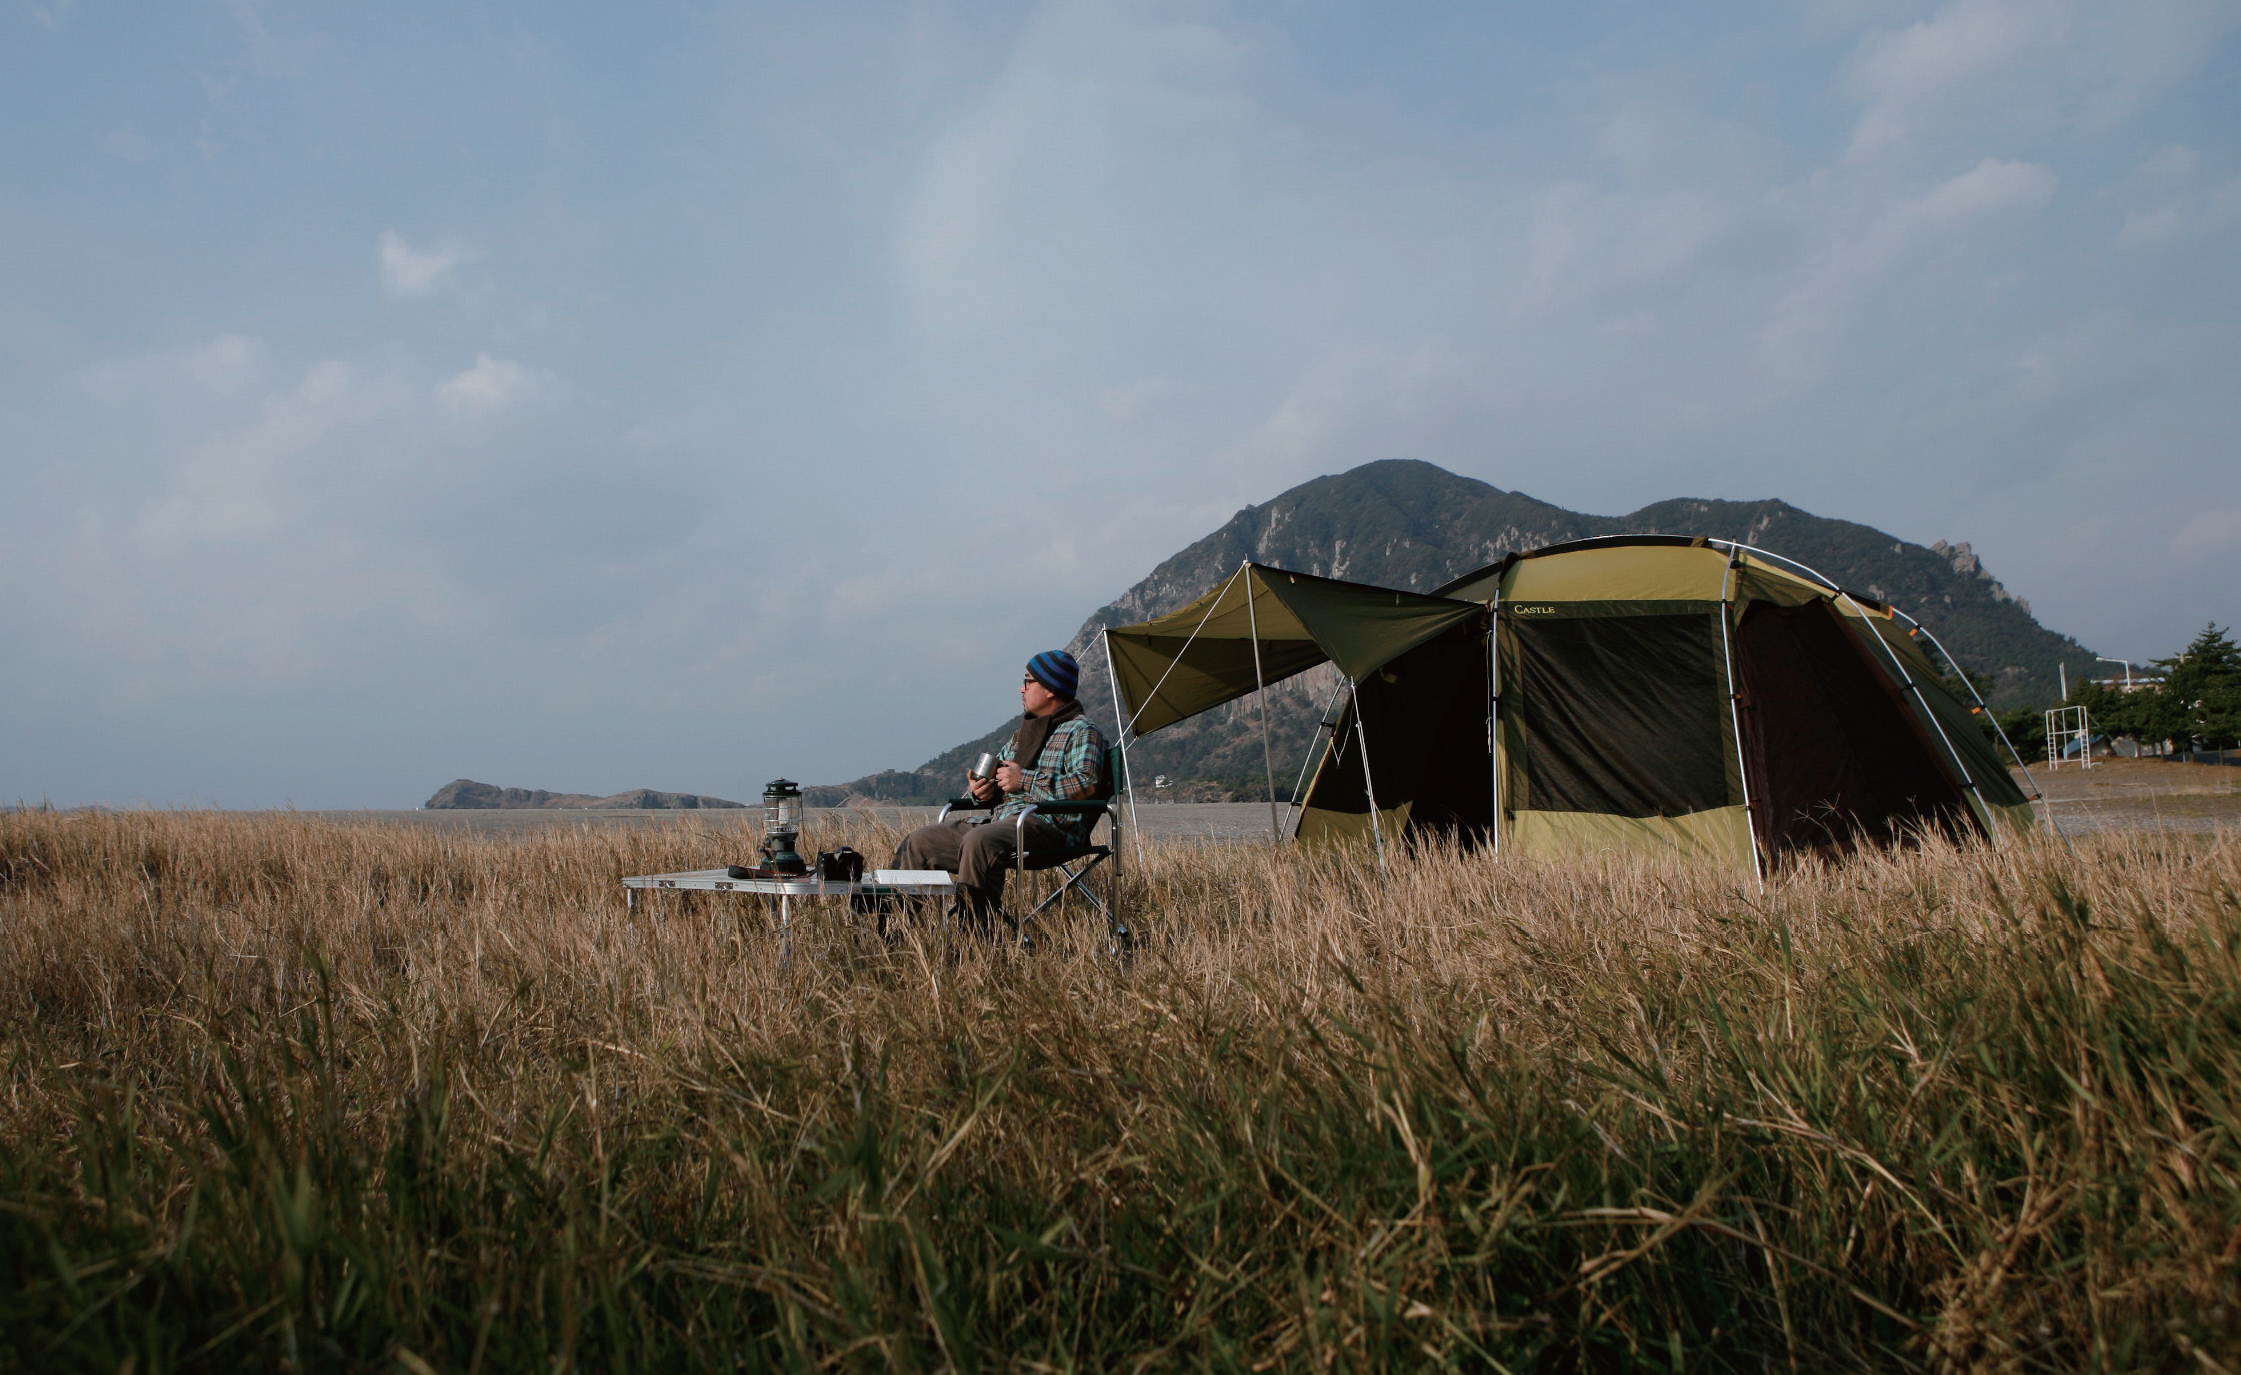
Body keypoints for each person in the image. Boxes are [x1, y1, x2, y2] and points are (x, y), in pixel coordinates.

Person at [891, 649, 1108, 930]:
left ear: (1051, 688)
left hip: (1053, 829)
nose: (1021, 688)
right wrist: (985, 791)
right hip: (1004, 823)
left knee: (981, 840)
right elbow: (1003, 786)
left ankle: (975, 943)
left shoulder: (1082, 731)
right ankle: (893, 932)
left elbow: (1087, 785)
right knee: (920, 841)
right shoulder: (1022, 735)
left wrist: (1024, 780)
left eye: (1028, 681)